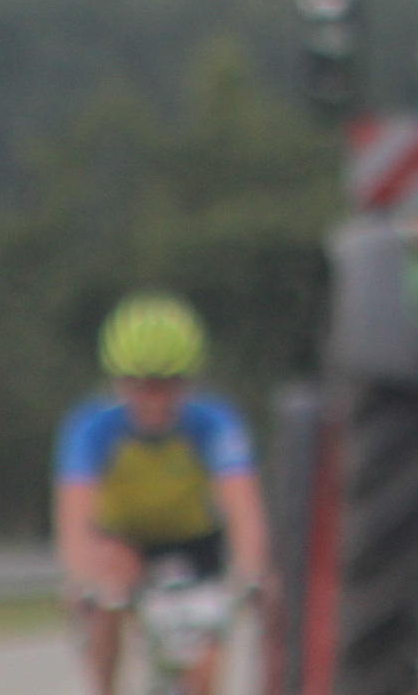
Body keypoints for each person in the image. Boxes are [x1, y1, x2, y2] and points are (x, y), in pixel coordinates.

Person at [54, 293, 269, 695]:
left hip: (193, 546)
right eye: (140, 386)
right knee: (106, 596)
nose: (154, 400)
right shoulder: (92, 428)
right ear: (118, 382)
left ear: (188, 382)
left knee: (203, 669)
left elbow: (243, 506)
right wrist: (81, 579)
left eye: (167, 386)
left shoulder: (213, 422)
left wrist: (251, 570)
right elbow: (75, 516)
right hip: (123, 545)